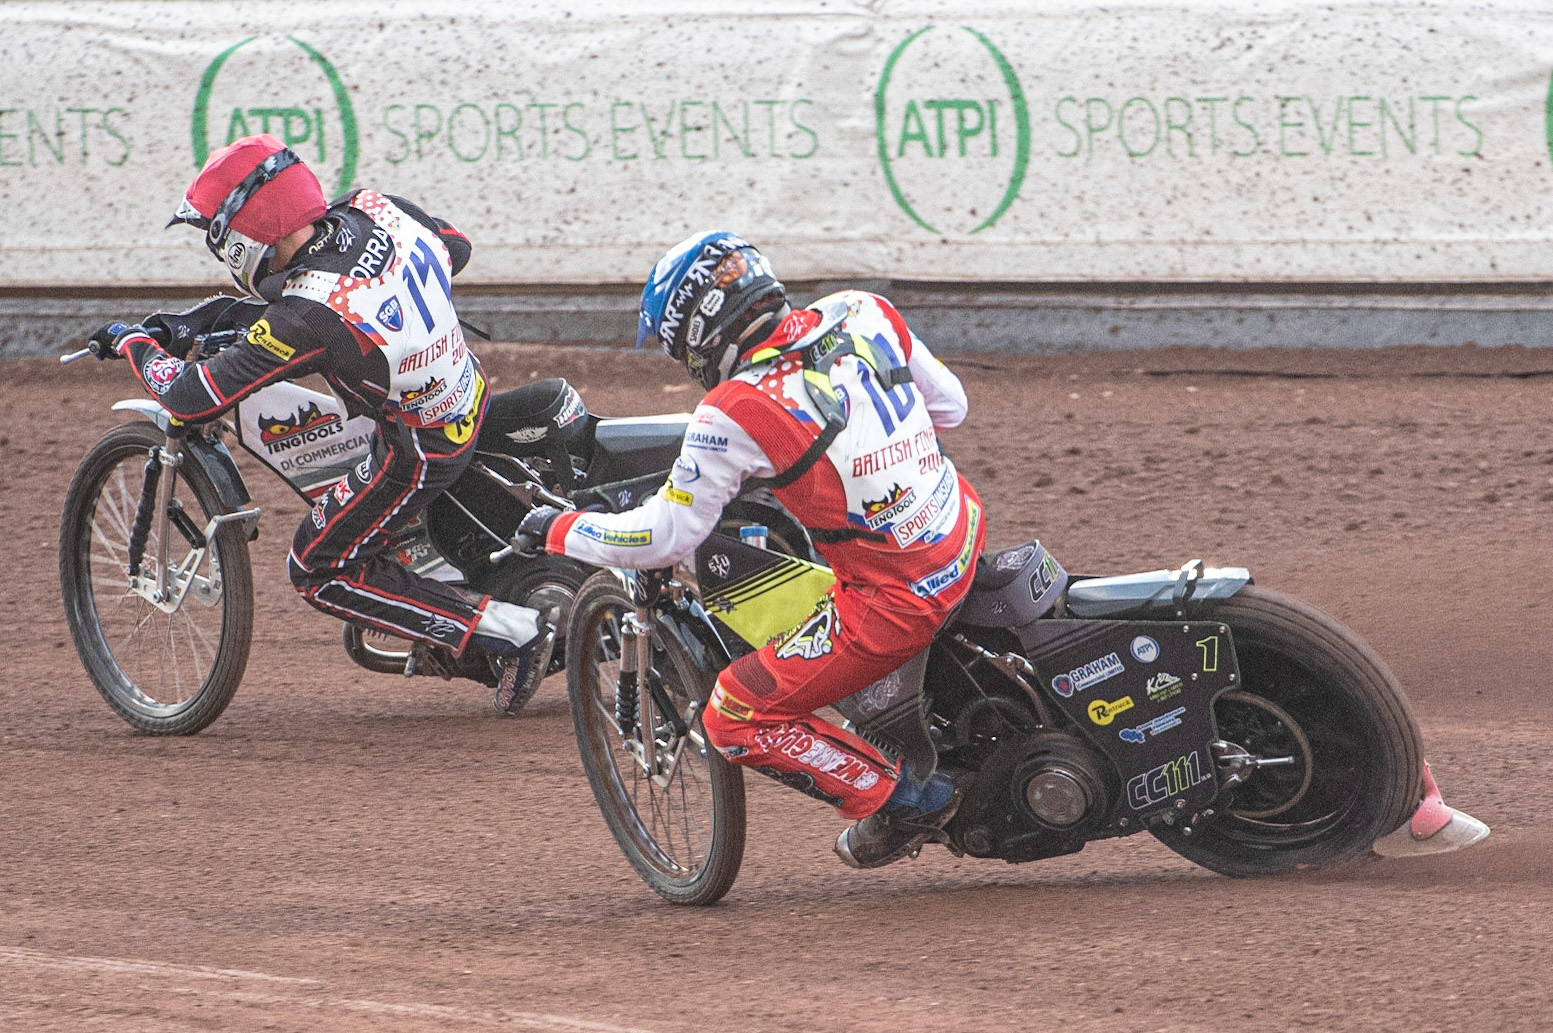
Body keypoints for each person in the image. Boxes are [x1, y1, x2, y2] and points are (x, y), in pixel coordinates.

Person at [518, 231, 986, 867]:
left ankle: (907, 800)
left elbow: (669, 536)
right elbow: (950, 407)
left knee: (733, 714)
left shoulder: (735, 409)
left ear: (699, 331)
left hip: (897, 599)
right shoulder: (862, 308)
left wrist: (560, 529)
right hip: (959, 527)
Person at [87, 133, 552, 712]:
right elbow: (455, 247)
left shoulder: (308, 316)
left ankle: (508, 633)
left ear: (241, 236)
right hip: (466, 390)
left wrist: (134, 343)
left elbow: (189, 397)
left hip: (421, 446)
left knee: (316, 566)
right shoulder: (373, 206)